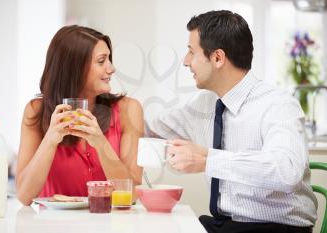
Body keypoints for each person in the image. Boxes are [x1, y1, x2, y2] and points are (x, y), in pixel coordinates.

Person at [145, 10, 317, 233]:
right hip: (224, 225)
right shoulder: (204, 104)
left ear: (218, 58)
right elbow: (149, 128)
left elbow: (287, 171)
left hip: (275, 228)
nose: (186, 61)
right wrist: (106, 107)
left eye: (191, 52)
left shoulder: (278, 104)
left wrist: (208, 160)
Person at [16, 25, 143, 205]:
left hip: (110, 224)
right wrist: (50, 140)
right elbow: (24, 197)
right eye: (101, 61)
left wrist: (101, 143)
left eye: (109, 59)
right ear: (75, 67)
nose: (111, 68)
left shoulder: (129, 109)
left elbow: (131, 195)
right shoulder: (36, 111)